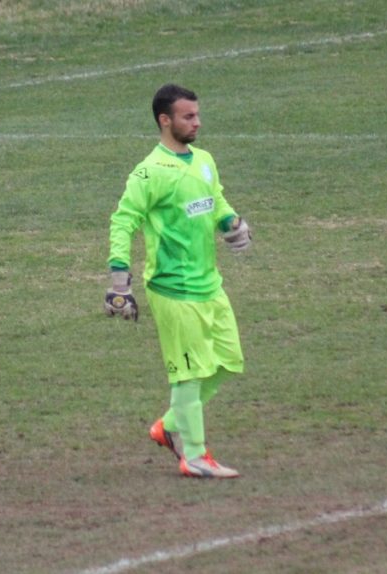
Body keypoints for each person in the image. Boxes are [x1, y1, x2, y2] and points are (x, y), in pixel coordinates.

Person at [104, 84, 252, 479]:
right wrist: (120, 282)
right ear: (165, 121)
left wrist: (231, 222)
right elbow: (123, 221)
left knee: (228, 361)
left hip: (210, 284)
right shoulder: (150, 172)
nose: (197, 122)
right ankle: (195, 456)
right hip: (172, 289)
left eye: (197, 115)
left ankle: (169, 426)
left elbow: (215, 199)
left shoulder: (204, 160)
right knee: (187, 374)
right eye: (188, 116)